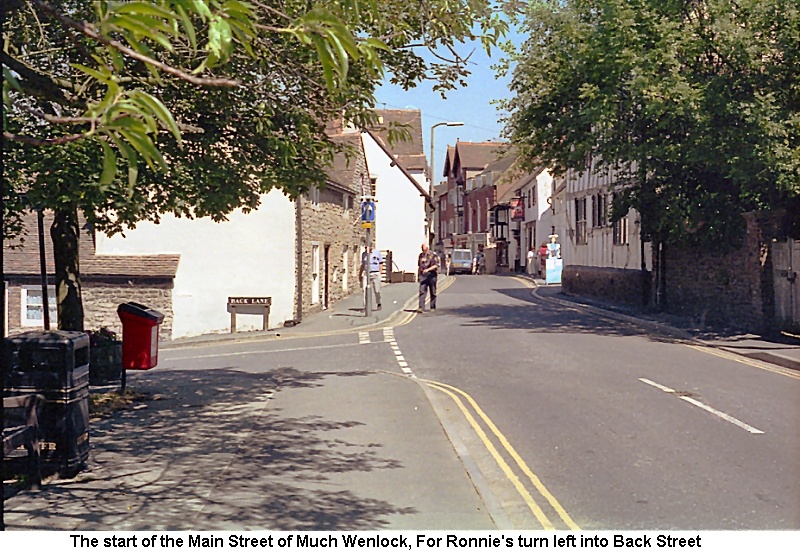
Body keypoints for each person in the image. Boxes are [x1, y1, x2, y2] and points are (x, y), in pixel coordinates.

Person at [417, 243, 440, 312]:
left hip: (431, 275)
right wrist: (418, 275)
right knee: (422, 291)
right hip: (423, 276)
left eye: (423, 248)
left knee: (433, 292)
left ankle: (432, 306)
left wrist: (428, 269)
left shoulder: (433, 255)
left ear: (427, 248)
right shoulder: (421, 256)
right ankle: (421, 307)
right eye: (421, 248)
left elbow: (436, 265)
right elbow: (419, 266)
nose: (422, 249)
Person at [359, 245, 383, 310]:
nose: (366, 249)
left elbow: (381, 263)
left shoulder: (377, 253)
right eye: (365, 248)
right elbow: (362, 265)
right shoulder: (364, 254)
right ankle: (366, 307)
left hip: (375, 273)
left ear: (371, 247)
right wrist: (360, 274)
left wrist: (379, 273)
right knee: (364, 290)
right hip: (366, 273)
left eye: (367, 247)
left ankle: (378, 303)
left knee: (377, 290)